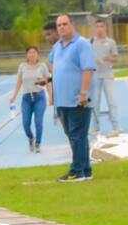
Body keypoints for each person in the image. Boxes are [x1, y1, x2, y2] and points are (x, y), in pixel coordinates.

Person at [52, 15, 96, 183]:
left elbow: (87, 69)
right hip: (62, 100)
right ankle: (86, 170)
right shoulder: (57, 46)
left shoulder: (82, 44)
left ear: (72, 25)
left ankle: (76, 171)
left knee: (77, 135)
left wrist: (84, 93)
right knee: (75, 136)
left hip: (77, 99)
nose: (61, 27)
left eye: (64, 24)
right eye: (59, 25)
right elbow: (59, 68)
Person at [9, 47, 52, 153]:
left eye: (34, 52)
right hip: (26, 99)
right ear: (26, 55)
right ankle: (31, 137)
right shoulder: (22, 66)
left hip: (39, 98)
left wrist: (51, 96)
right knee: (25, 123)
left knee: (38, 122)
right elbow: (19, 81)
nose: (32, 54)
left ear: (37, 54)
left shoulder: (42, 66)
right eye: (29, 52)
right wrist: (14, 96)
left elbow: (48, 81)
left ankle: (38, 143)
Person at [90, 19, 120, 137]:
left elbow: (116, 59)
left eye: (101, 26)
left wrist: (109, 59)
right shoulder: (91, 42)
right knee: (95, 102)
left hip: (107, 75)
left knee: (111, 101)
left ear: (105, 28)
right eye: (97, 26)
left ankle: (115, 128)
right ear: (95, 28)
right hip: (95, 76)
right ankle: (96, 128)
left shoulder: (111, 42)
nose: (99, 29)